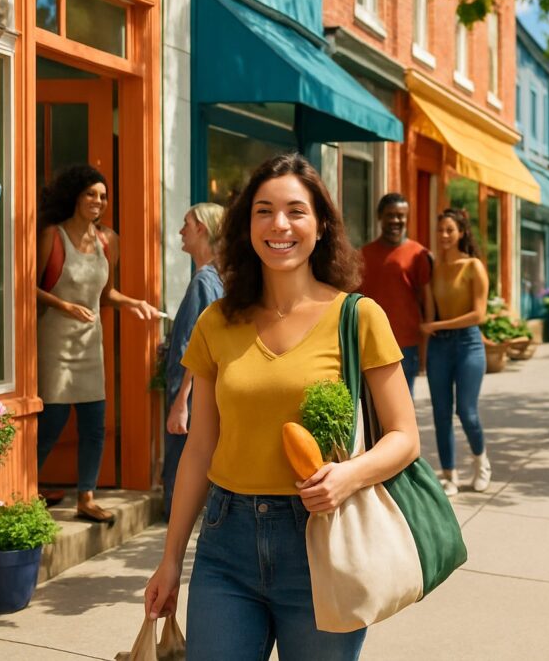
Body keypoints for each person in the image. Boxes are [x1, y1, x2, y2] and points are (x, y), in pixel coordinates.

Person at [143, 153, 420, 660]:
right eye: (264, 211)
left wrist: (349, 476)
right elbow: (201, 448)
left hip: (323, 542)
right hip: (227, 544)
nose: (279, 225)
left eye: (295, 210)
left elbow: (405, 437)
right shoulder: (216, 322)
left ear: (320, 226)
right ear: (247, 225)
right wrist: (169, 560)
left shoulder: (358, 318)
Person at [36, 164, 161, 524]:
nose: (98, 201)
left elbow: (105, 294)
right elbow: (28, 288)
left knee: (94, 424)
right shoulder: (53, 236)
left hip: (91, 345)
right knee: (52, 422)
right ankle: (25, 492)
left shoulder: (109, 240)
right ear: (76, 196)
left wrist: (132, 302)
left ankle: (86, 498)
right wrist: (63, 304)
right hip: (55, 343)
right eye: (91, 193)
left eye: (103, 196)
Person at [420, 209, 491, 497]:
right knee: (440, 413)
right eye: (440, 230)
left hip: (468, 344)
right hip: (439, 347)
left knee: (467, 411)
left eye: (450, 230)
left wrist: (436, 324)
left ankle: (481, 463)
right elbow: (428, 311)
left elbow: (479, 314)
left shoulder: (473, 266)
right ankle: (449, 474)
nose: (444, 235)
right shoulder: (433, 268)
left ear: (461, 232)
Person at [162, 202, 225, 521]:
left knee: (182, 470)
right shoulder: (214, 278)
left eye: (186, 223)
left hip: (191, 394)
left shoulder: (204, 281)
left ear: (201, 228)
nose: (180, 231)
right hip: (202, 392)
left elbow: (198, 348)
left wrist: (181, 402)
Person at [358, 193, 432, 396]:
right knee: (371, 405)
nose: (395, 220)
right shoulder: (362, 255)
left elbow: (427, 304)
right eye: (390, 215)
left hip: (406, 344)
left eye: (401, 216)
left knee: (402, 403)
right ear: (379, 217)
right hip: (369, 342)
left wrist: (425, 351)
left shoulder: (419, 254)